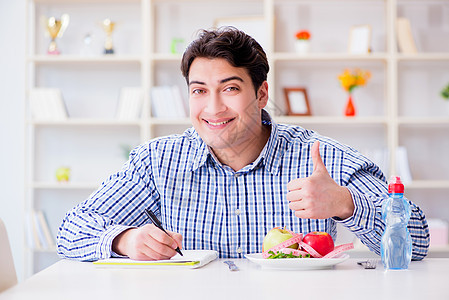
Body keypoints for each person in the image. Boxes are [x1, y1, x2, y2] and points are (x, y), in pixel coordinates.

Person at [57, 27, 429, 261]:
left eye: (230, 89)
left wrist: (345, 204)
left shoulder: (322, 158)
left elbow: (417, 239)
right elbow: (72, 229)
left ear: (261, 93)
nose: (213, 107)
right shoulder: (158, 161)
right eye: (199, 91)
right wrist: (124, 239)